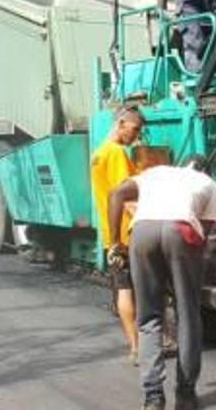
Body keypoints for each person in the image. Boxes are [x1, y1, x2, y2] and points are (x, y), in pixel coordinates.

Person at [108, 159, 216, 410]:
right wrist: (183, 276)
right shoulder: (211, 185)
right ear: (206, 170)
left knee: (149, 317)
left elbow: (116, 193)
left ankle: (153, 398)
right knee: (188, 315)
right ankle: (185, 395)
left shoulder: (157, 173)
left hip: (141, 231)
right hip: (181, 230)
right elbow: (201, 236)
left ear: (183, 166)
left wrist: (116, 242)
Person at [90, 106, 144, 366]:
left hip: (111, 233)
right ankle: (148, 342)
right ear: (121, 124)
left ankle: (134, 347)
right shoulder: (116, 153)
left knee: (123, 288)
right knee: (140, 289)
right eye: (134, 130)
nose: (136, 137)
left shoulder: (98, 153)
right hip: (128, 233)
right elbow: (127, 197)